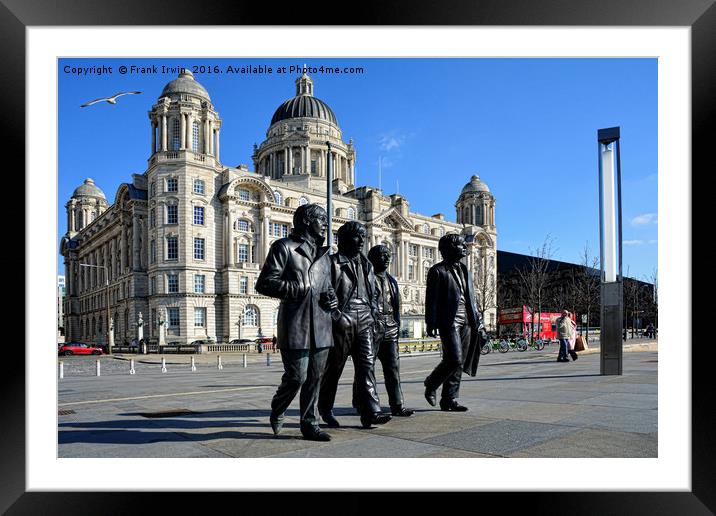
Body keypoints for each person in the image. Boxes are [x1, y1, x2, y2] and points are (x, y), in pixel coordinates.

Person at [255, 203, 335, 442]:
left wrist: (332, 298)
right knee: (296, 377)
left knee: (315, 378)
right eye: (322, 219)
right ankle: (278, 407)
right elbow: (265, 283)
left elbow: (328, 288)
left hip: (321, 325)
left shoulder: (325, 256)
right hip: (295, 325)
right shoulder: (284, 247)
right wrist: (297, 287)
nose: (326, 225)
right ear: (308, 221)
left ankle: (310, 424)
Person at [318, 221, 392, 429]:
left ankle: (371, 412)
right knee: (334, 369)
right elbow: (322, 294)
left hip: (366, 319)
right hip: (344, 319)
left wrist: (374, 315)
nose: (361, 240)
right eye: (357, 236)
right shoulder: (331, 263)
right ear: (343, 239)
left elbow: (373, 294)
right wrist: (336, 316)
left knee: (367, 366)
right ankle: (324, 407)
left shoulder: (367, 264)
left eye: (363, 236)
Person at [423, 233, 488, 412]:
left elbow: (471, 299)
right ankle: (431, 383)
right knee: (454, 358)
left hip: (467, 319)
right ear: (451, 249)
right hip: (448, 319)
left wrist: (479, 322)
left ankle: (449, 399)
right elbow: (432, 299)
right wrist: (431, 322)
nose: (464, 248)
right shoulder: (437, 270)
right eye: (461, 245)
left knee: (460, 362)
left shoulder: (465, 270)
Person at [364, 244, 414, 417]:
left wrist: (397, 323)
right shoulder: (366, 278)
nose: (386, 258)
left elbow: (396, 305)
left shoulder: (392, 280)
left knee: (393, 368)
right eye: (382, 255)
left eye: (388, 255)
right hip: (372, 326)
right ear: (372, 258)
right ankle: (365, 402)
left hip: (390, 326)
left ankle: (397, 405)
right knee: (367, 368)